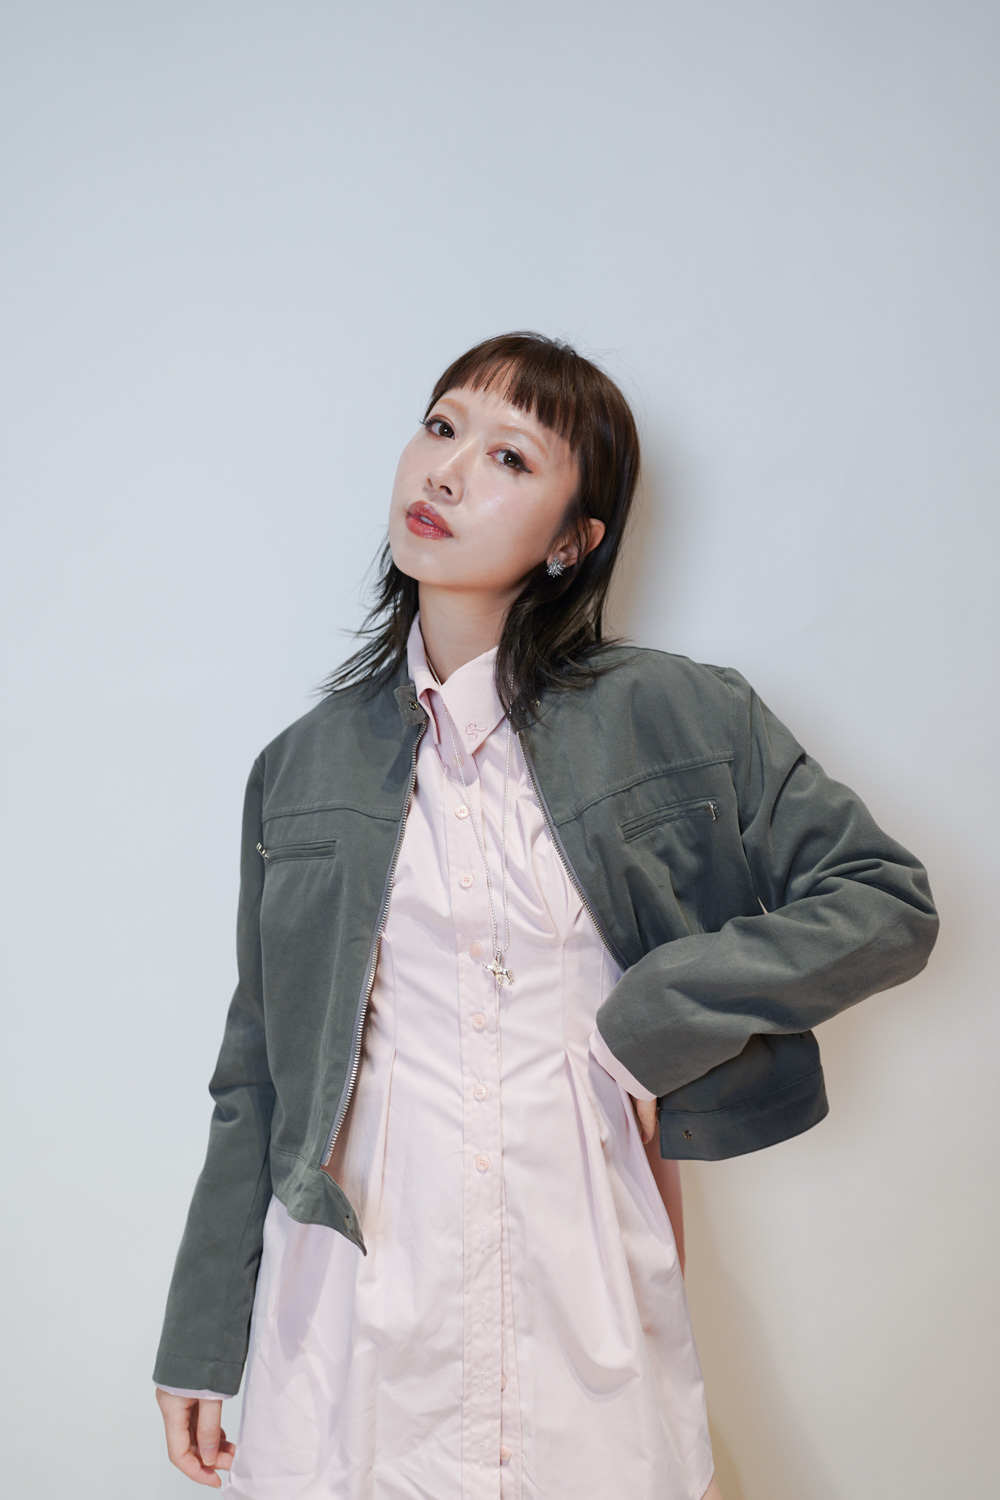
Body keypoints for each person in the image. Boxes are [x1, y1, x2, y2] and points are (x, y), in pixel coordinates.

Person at [152, 331, 939, 1497]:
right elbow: (258, 1068)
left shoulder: (681, 715)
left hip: (581, 1292)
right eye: (441, 426)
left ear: (575, 541)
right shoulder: (299, 769)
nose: (447, 469)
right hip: (349, 1309)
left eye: (509, 456)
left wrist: (659, 1012)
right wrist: (201, 1335)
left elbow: (884, 902)